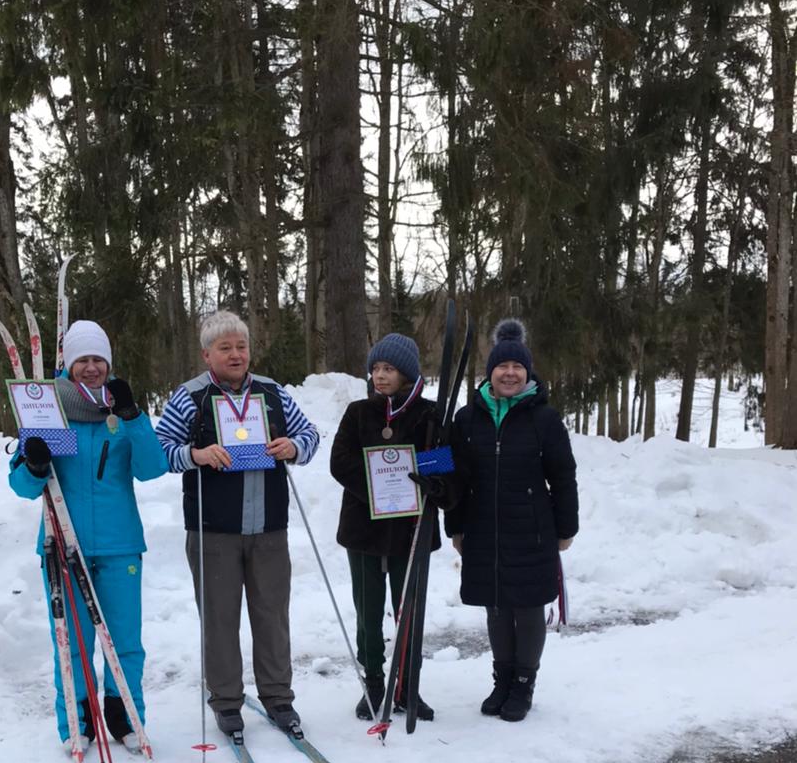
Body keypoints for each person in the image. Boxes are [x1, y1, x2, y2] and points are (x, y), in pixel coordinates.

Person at [155, 309, 319, 736]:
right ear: (207, 354)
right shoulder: (190, 396)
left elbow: (310, 437)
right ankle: (226, 701)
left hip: (268, 527)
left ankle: (278, 698)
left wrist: (293, 446)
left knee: (272, 616)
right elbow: (161, 449)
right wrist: (197, 455)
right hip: (214, 529)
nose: (235, 354)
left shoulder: (272, 393)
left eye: (241, 346)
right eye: (225, 348)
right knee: (220, 618)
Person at [9, 319, 168, 750]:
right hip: (63, 541)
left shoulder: (121, 410)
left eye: (99, 359)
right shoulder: (47, 409)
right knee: (73, 640)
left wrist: (133, 417)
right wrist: (36, 465)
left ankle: (125, 717)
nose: (92, 367)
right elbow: (22, 487)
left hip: (121, 545)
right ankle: (77, 722)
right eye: (84, 360)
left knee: (125, 641)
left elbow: (152, 469)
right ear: (70, 364)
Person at [421, 318, 578, 722]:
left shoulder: (543, 418)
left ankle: (523, 684)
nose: (510, 374)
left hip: (531, 527)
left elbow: (562, 474)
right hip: (481, 526)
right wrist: (453, 523)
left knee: (526, 607)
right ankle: (502, 679)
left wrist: (566, 528)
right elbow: (453, 474)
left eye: (518, 368)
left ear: (527, 373)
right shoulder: (467, 417)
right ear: (490, 372)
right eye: (502, 367)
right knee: (494, 606)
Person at [330, 332, 439, 721]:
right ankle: (374, 682)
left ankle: (408, 685)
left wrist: (428, 478)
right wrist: (377, 489)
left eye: (388, 368)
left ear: (406, 374)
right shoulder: (358, 413)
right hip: (364, 530)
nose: (379, 375)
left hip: (411, 531)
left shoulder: (429, 415)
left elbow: (443, 464)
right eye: (375, 368)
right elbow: (340, 462)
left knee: (408, 610)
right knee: (368, 610)